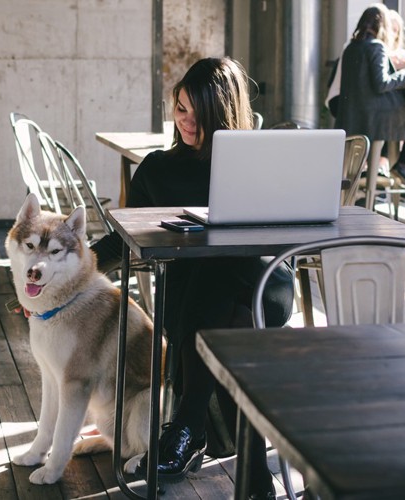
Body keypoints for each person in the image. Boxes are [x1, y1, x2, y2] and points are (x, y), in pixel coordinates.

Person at [90, 57, 294, 500]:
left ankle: (188, 423)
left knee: (214, 271)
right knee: (225, 321)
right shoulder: (159, 170)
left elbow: (293, 233)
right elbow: (122, 239)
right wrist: (68, 274)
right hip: (210, 307)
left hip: (263, 285)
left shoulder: (262, 163)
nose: (185, 121)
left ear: (224, 112)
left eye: (197, 112)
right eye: (180, 108)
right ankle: (256, 484)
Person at [333, 5, 405, 188]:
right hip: (377, 116)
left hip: (355, 116)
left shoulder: (351, 48)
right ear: (383, 26)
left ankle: (404, 162)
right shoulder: (377, 47)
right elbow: (382, 84)